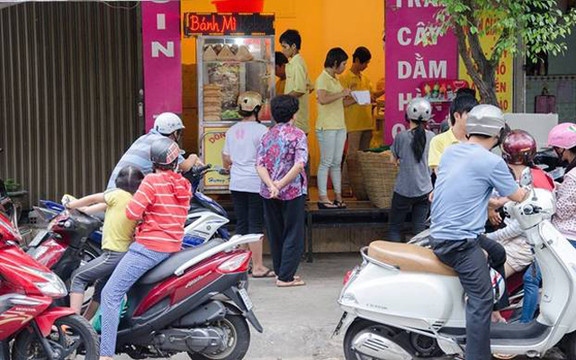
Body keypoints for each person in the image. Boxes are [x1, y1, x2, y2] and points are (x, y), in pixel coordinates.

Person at [429, 104, 527, 360]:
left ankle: (497, 311)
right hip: (458, 243)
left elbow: (464, 188)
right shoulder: (491, 161)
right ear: (497, 134)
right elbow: (517, 195)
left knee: (497, 252)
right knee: (480, 300)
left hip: (443, 233)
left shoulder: (451, 152)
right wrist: (529, 192)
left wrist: (491, 203)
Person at [99, 138, 192, 359]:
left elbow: (132, 213)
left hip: (148, 247)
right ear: (174, 161)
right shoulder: (184, 184)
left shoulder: (151, 181)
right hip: (172, 246)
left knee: (110, 294)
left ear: (153, 161)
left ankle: (105, 355)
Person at [66, 166, 144, 320]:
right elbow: (90, 209)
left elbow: (92, 199)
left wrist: (70, 205)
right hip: (123, 254)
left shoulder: (116, 194)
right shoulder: (132, 201)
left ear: (117, 181)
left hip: (113, 254)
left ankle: (74, 323)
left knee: (78, 277)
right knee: (100, 286)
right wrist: (78, 207)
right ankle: (85, 322)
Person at [520, 122, 576, 323]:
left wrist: (551, 193)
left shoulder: (572, 176)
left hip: (565, 237)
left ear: (563, 149)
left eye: (556, 149)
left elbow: (561, 211)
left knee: (531, 278)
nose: (555, 152)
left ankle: (524, 324)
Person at [486, 130, 555, 278]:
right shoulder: (525, 177)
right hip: (513, 239)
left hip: (525, 244)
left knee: (487, 280)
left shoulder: (533, 180)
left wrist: (490, 237)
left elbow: (521, 225)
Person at [256, 95, 308, 288]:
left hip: (268, 192)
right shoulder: (298, 135)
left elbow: (259, 165)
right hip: (292, 191)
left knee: (275, 231)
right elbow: (299, 165)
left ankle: (280, 271)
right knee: (293, 232)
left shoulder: (266, 135)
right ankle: (286, 277)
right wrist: (281, 185)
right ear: (294, 114)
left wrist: (271, 185)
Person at [222, 92, 273, 278]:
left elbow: (226, 158)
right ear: (258, 109)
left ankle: (240, 264)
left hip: (236, 182)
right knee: (255, 224)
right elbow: (267, 159)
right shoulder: (262, 131)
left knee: (241, 223)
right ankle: (258, 266)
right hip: (255, 182)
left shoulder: (231, 130)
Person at [107, 112, 200, 189]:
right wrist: (193, 157)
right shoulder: (164, 143)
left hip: (114, 189)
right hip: (127, 194)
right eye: (179, 132)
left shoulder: (144, 138)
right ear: (175, 132)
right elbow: (185, 167)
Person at [388, 98, 435, 242]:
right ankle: (417, 259)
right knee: (419, 229)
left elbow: (392, 160)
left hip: (403, 189)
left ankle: (394, 259)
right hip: (425, 190)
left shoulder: (401, 137)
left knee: (395, 227)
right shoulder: (432, 137)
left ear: (408, 116)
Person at [315, 47, 351, 209]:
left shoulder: (336, 79)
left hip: (339, 125)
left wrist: (356, 99)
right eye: (343, 64)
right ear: (335, 62)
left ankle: (338, 196)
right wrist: (342, 94)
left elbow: (339, 102)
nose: (344, 67)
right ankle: (323, 197)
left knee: (337, 162)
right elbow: (322, 99)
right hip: (327, 126)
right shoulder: (322, 78)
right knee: (326, 162)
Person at [340, 47, 385, 153]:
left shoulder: (365, 79)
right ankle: (348, 171)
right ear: (356, 60)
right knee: (352, 155)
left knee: (364, 156)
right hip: (353, 125)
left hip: (367, 123)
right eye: (364, 63)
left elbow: (372, 95)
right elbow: (342, 101)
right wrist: (360, 98)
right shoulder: (344, 79)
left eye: (367, 63)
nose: (366, 66)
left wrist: (384, 91)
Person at [428, 94, 478, 172]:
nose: (474, 119)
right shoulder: (438, 141)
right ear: (457, 116)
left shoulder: (478, 140)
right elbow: (440, 173)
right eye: (470, 116)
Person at [279, 29, 312, 134]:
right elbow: (310, 86)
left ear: (293, 46)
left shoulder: (297, 64)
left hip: (297, 119)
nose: (282, 50)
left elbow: (300, 89)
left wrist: (283, 100)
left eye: (285, 47)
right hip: (293, 116)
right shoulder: (293, 63)